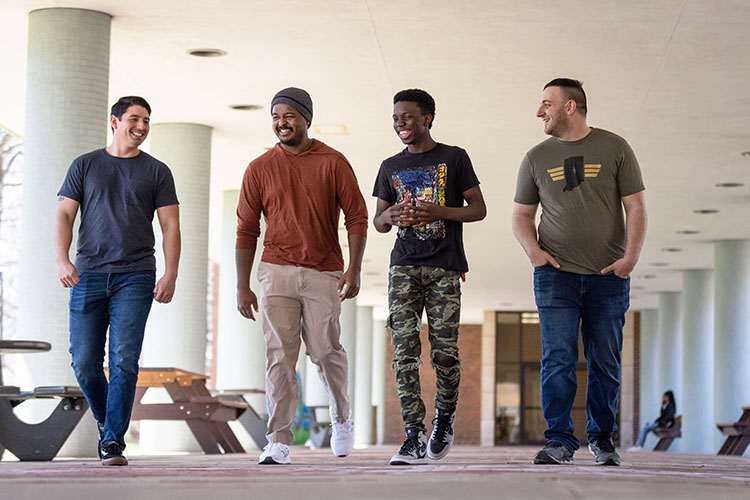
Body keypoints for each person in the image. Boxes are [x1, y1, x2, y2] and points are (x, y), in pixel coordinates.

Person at [512, 78, 647, 466]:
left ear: (570, 107)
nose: (540, 112)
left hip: (609, 275)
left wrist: (630, 259)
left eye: (546, 104)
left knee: (606, 359)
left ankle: (602, 439)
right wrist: (534, 252)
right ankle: (559, 440)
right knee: (558, 358)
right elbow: (522, 215)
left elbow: (635, 207)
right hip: (556, 275)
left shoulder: (615, 147)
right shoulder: (536, 157)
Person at [236, 87, 368, 465]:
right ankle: (277, 440)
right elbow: (246, 230)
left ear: (307, 119)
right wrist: (242, 285)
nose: (282, 122)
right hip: (275, 271)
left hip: (323, 272)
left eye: (289, 115)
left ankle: (342, 419)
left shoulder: (333, 161)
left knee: (326, 352)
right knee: (280, 356)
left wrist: (353, 268)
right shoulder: (259, 168)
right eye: (276, 116)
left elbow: (356, 216)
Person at [54, 96, 181, 466]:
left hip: (136, 276)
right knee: (84, 361)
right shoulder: (85, 165)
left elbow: (170, 225)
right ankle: (106, 421)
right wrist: (61, 259)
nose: (141, 127)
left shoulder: (157, 171)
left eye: (146, 121)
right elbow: (64, 212)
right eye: (134, 119)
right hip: (88, 273)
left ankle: (113, 441)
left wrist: (170, 272)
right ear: (115, 121)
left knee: (124, 359)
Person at [373, 89, 486, 465]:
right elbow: (379, 222)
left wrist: (440, 210)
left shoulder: (454, 158)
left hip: (444, 267)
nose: (400, 124)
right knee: (404, 353)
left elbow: (479, 209)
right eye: (395, 118)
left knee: (444, 355)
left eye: (407, 117)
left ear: (428, 118)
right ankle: (414, 435)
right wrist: (391, 217)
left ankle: (445, 417)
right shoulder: (390, 166)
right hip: (402, 267)